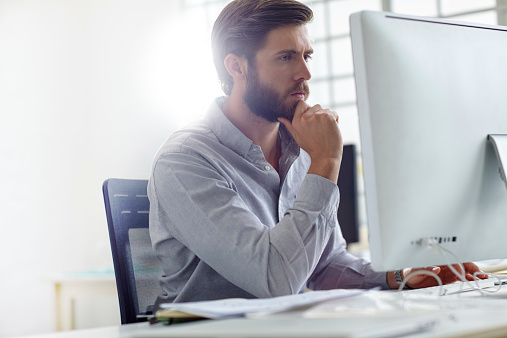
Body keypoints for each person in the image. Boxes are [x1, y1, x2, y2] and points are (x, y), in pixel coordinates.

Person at [148, 0, 485, 309]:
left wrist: (402, 276)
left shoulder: (300, 150)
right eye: (285, 57)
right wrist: (326, 161)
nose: (305, 74)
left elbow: (324, 266)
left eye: (305, 56)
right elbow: (276, 279)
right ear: (236, 66)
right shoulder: (184, 160)